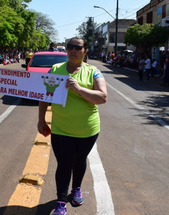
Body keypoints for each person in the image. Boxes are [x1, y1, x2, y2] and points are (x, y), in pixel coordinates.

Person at [37, 37, 107, 215]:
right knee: (64, 164)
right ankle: (61, 202)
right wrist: (41, 119)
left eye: (78, 47)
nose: (73, 50)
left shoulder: (93, 72)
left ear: (85, 51)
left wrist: (78, 88)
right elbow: (45, 95)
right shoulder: (55, 69)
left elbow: (102, 97)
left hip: (87, 130)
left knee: (79, 160)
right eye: (70, 47)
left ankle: (76, 188)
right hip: (61, 129)